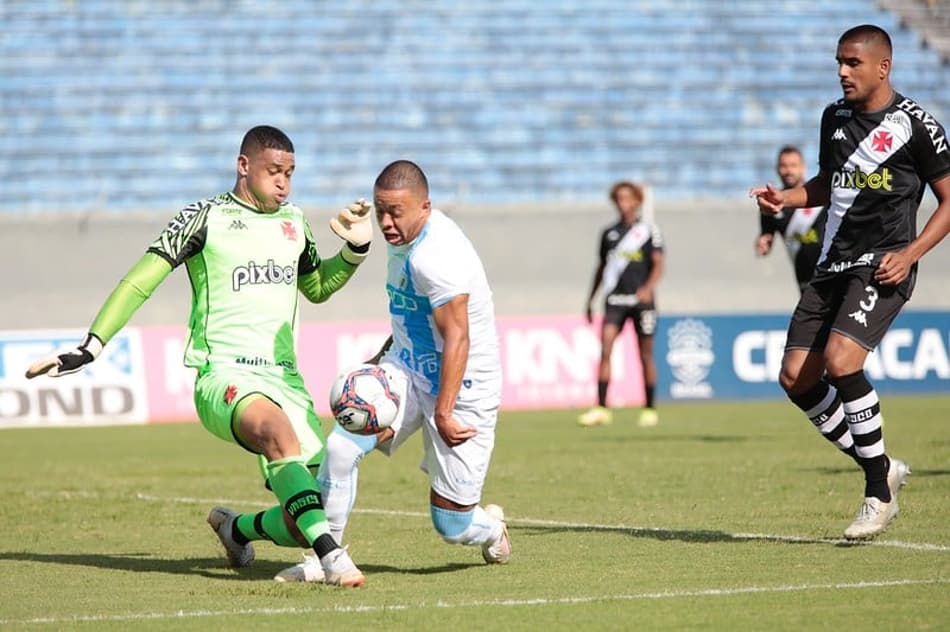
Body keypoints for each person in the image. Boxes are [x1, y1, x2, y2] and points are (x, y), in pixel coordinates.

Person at [24, 125, 374, 585]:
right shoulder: (203, 218)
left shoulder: (296, 224)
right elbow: (140, 279)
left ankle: (236, 528)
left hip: (286, 380)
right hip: (224, 376)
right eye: (274, 172)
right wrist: (92, 345)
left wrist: (355, 250)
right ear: (243, 166)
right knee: (276, 434)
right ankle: (333, 558)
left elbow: (317, 288)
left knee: (303, 517)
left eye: (290, 173)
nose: (284, 183)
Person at [751, 25, 950, 540]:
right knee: (795, 378)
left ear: (882, 67)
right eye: (838, 62)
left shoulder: (917, 125)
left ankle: (877, 494)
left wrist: (909, 255)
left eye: (852, 63)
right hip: (830, 264)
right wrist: (786, 199)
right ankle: (883, 464)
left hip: (882, 264)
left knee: (842, 362)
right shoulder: (833, 118)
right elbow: (829, 181)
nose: (842, 71)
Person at [273, 159, 511, 583]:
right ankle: (325, 559)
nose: (386, 222)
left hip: (464, 383)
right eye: (381, 210)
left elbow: (458, 337)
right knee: (341, 449)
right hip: (406, 369)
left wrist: (444, 411)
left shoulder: (436, 257)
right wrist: (378, 364)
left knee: (450, 525)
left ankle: (492, 527)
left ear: (425, 207)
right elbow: (409, 314)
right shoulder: (402, 238)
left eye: (395, 212)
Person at [578, 181, 665, 428]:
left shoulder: (649, 231)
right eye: (618, 198)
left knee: (645, 354)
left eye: (627, 198)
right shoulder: (609, 233)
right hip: (614, 300)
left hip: (641, 303)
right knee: (605, 349)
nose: (622, 203)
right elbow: (601, 267)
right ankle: (601, 408)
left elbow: (659, 263)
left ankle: (649, 409)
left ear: (637, 201)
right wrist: (590, 299)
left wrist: (647, 289)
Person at [755, 145, 828, 293]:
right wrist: (763, 243)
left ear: (803, 168)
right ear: (777, 169)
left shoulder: (820, 197)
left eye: (793, 165)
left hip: (830, 275)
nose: (788, 171)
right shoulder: (772, 203)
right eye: (784, 166)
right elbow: (767, 234)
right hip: (804, 281)